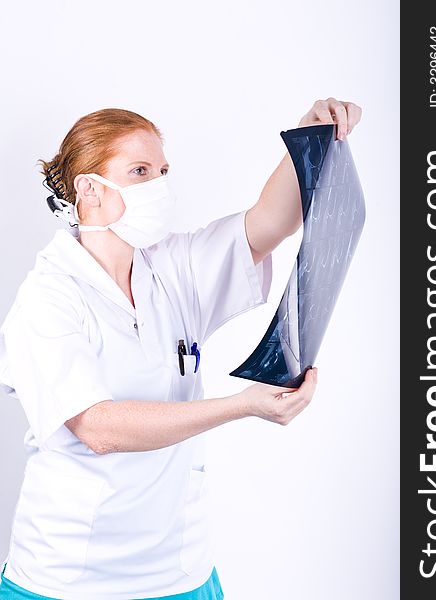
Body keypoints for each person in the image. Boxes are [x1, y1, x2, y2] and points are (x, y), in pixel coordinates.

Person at [0, 98, 361, 600]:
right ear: (89, 189)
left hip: (181, 569)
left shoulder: (171, 267)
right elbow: (98, 428)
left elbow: (268, 225)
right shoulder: (49, 297)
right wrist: (241, 406)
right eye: (140, 171)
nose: (159, 186)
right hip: (75, 578)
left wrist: (310, 138)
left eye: (163, 170)